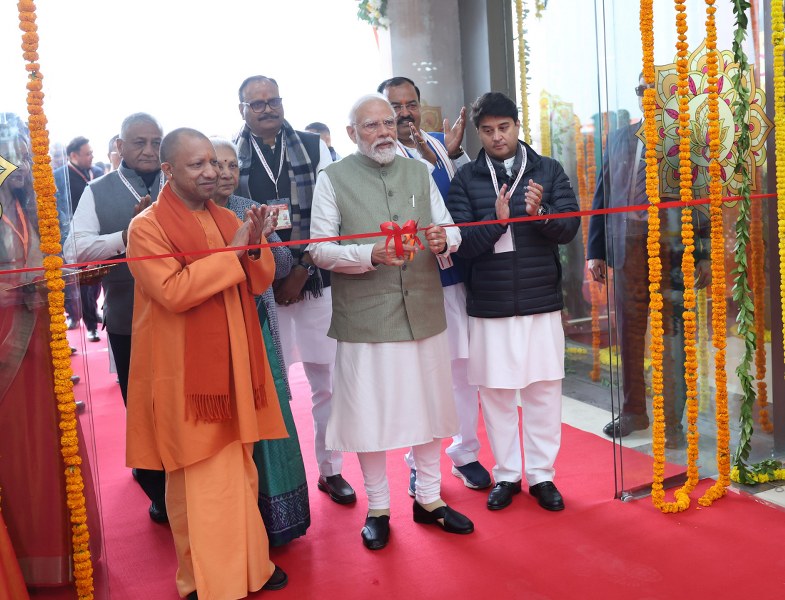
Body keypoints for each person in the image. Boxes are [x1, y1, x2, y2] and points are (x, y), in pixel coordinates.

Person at [126, 127, 288, 598]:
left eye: (213, 163)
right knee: (200, 477)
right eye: (196, 165)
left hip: (236, 361)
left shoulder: (223, 215)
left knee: (240, 468)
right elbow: (173, 292)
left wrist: (254, 245)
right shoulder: (147, 227)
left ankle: (252, 566)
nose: (210, 172)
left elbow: (258, 280)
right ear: (168, 169)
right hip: (184, 374)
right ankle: (208, 581)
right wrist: (235, 249)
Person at [309, 93, 474, 550]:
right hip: (366, 318)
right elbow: (318, 249)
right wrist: (367, 255)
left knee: (429, 409)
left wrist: (446, 240)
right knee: (369, 415)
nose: (383, 131)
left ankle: (430, 499)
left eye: (388, 122)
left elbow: (449, 229)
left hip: (422, 311)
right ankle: (378, 507)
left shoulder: (419, 170)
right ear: (351, 134)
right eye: (370, 126)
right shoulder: (333, 178)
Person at [446, 92, 580, 512]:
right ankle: (507, 473)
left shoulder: (547, 169)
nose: (496, 137)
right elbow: (460, 245)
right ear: (479, 133)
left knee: (543, 391)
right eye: (487, 130)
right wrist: (497, 221)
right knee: (498, 394)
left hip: (540, 300)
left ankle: (542, 476)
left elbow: (569, 227)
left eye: (503, 128)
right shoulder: (466, 179)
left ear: (518, 127)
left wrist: (539, 215)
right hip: (490, 303)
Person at [234, 75, 356, 505]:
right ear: (242, 111)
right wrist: (272, 275)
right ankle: (278, 480)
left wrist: (302, 268)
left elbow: (333, 210)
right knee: (272, 384)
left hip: (315, 279)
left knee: (328, 381)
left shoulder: (311, 144)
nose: (267, 109)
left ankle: (331, 470)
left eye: (273, 101)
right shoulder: (231, 156)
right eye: (256, 104)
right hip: (261, 288)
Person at [0, 112, 101, 587]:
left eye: (25, 152)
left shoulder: (24, 206)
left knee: (48, 434)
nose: (21, 162)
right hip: (7, 340)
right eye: (11, 153)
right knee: (16, 442)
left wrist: (58, 283)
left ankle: (57, 552)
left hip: (37, 333)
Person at [378, 76, 492, 493]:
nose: (404, 112)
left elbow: (456, 199)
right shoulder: (382, 154)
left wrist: (451, 153)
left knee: (463, 374)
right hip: (414, 281)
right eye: (395, 106)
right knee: (421, 376)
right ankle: (417, 461)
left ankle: (465, 453)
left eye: (410, 104)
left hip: (456, 276)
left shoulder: (440, 144)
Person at [587, 74, 710, 448]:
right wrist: (596, 250)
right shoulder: (622, 137)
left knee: (674, 335)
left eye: (655, 88)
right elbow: (603, 193)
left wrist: (702, 252)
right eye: (641, 89)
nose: (647, 96)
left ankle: (673, 423)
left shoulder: (686, 138)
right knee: (630, 333)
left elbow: (702, 199)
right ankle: (633, 412)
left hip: (674, 248)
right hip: (627, 248)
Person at [66, 112, 167, 522]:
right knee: (142, 404)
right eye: (138, 142)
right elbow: (75, 251)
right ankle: (155, 485)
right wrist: (128, 235)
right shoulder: (98, 190)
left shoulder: (181, 178)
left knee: (182, 403)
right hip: (129, 316)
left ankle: (187, 480)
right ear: (120, 147)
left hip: (190, 312)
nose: (148, 150)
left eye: (155, 142)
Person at [211, 137, 310, 546]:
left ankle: (279, 525)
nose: (225, 174)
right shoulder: (188, 216)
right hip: (215, 336)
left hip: (260, 328)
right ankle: (235, 530)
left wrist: (268, 237)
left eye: (232, 166)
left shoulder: (247, 208)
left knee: (273, 421)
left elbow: (281, 267)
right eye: (216, 165)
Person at [54, 136, 103, 342]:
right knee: (82, 284)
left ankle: (90, 313)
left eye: (92, 152)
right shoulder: (59, 176)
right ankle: (89, 324)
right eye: (87, 153)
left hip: (99, 236)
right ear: (73, 155)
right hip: (74, 240)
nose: (92, 156)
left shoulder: (98, 173)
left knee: (97, 281)